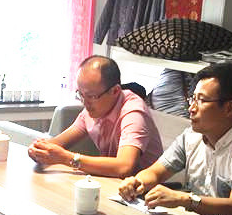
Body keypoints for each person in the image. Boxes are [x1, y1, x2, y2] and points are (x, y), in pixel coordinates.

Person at [119, 62, 232, 215]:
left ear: (229, 108)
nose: (191, 108)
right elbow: (156, 172)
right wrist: (136, 182)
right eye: (192, 99)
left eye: (202, 100)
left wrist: (184, 199)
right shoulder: (191, 136)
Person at [27, 55, 163, 178]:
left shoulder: (133, 112)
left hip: (147, 190)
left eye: (91, 96)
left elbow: (124, 167)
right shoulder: (93, 108)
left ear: (115, 91)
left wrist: (67, 158)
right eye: (80, 94)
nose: (85, 103)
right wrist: (38, 150)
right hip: (115, 183)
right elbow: (58, 143)